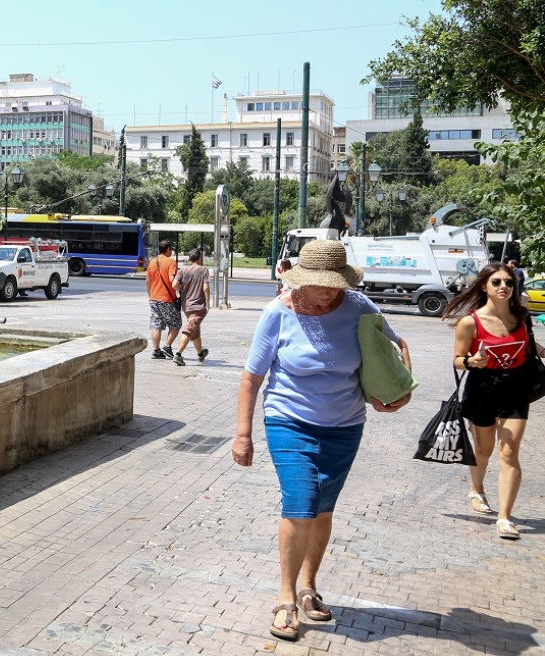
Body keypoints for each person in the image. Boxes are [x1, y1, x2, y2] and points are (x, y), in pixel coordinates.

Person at [232, 240, 411, 642]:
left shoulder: (360, 306)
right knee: (302, 499)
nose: (329, 290)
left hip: (345, 425)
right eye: (320, 283)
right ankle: (285, 598)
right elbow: (251, 378)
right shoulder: (277, 313)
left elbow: (394, 349)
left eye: (335, 283)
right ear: (302, 279)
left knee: (324, 507)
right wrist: (242, 434)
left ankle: (309, 585)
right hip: (288, 419)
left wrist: (398, 391)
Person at [444, 262, 544, 540]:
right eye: (497, 282)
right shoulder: (470, 322)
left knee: (509, 453)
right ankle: (476, 489)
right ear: (485, 286)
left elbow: (527, 343)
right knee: (484, 450)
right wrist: (473, 361)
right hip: (482, 389)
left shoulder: (521, 316)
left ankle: (505, 517)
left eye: (509, 283)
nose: (503, 287)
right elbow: (457, 359)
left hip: (516, 390)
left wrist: (542, 351)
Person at [170, 249, 210, 365]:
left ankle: (200, 353)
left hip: (186, 305)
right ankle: (178, 354)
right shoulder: (203, 270)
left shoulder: (183, 270)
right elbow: (206, 288)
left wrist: (183, 290)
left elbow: (174, 285)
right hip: (198, 306)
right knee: (189, 329)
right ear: (200, 258)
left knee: (194, 329)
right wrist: (207, 303)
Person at [145, 239, 181, 359]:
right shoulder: (171, 262)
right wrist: (180, 289)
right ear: (168, 249)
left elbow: (147, 281)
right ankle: (167, 346)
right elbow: (172, 280)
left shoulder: (152, 262)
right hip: (167, 300)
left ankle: (156, 351)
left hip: (154, 298)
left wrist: (150, 295)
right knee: (176, 325)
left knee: (156, 325)